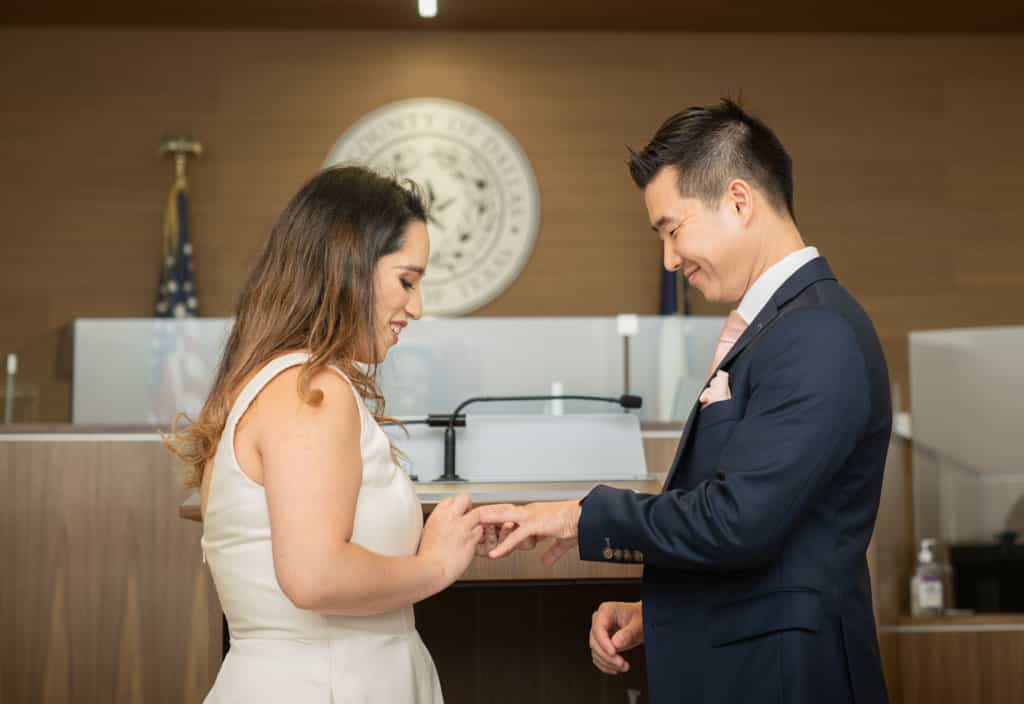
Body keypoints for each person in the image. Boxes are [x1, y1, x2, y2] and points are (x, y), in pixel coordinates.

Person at [478, 100, 892, 704]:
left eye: (673, 230)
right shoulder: (785, 327)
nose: (670, 260)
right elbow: (770, 538)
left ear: (739, 201)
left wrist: (578, 515)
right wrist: (662, 612)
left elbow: (737, 521)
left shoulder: (815, 332)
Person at [164, 165, 482, 703]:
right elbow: (315, 575)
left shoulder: (284, 383)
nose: (417, 307)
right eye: (407, 281)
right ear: (347, 266)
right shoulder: (309, 391)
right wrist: (435, 566)